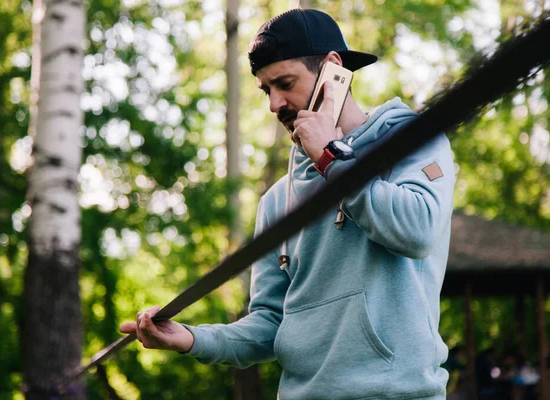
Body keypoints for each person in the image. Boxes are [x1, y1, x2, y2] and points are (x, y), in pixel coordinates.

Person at [119, 8, 456, 399]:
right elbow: (270, 324)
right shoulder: (278, 199)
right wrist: (193, 339)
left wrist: (330, 159)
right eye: (266, 89)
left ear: (334, 71)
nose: (274, 104)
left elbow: (416, 231)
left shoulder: (413, 140)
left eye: (284, 83)